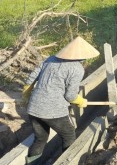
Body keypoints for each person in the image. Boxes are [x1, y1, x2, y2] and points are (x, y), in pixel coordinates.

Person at [23, 36, 99, 165]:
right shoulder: (76, 68)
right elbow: (70, 95)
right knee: (68, 135)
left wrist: (26, 95)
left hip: (33, 109)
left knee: (40, 138)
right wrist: (81, 101)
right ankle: (67, 162)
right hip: (53, 111)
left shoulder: (51, 59)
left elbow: (31, 79)